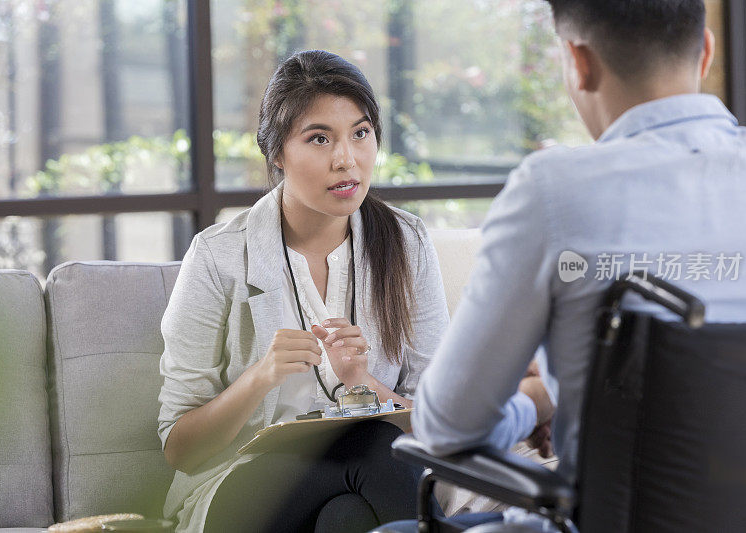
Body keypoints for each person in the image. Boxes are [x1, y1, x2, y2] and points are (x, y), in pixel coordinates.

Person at [383, 0, 746, 530]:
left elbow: (446, 428)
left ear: (578, 61)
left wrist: (536, 399)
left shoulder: (554, 192)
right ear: (705, 50)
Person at [157, 49, 552, 533]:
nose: (347, 159)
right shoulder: (218, 257)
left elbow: (440, 419)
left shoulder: (405, 244)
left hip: (367, 485)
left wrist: (367, 388)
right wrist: (258, 378)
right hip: (238, 498)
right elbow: (180, 449)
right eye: (319, 138)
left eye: (361, 133)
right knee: (374, 450)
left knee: (348, 516)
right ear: (277, 153)